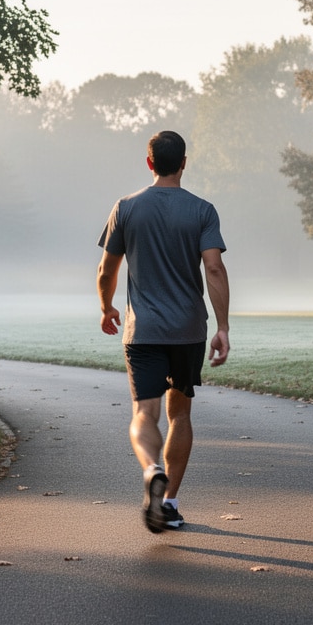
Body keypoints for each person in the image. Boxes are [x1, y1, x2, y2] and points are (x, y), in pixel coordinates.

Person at [97, 130, 230, 533]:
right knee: (180, 414)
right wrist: (223, 327)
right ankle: (169, 501)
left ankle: (152, 469)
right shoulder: (202, 210)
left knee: (145, 412)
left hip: (143, 331)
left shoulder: (126, 208)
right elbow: (213, 268)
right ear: (184, 162)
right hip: (188, 329)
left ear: (149, 162)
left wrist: (106, 307)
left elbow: (107, 270)